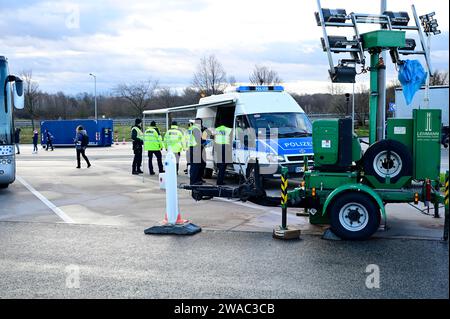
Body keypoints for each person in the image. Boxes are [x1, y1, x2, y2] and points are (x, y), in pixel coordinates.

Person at [188, 118, 204, 185]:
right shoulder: (196, 129)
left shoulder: (191, 128)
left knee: (193, 165)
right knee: (196, 165)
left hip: (191, 147)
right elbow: (199, 140)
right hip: (196, 148)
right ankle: (194, 181)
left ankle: (194, 180)